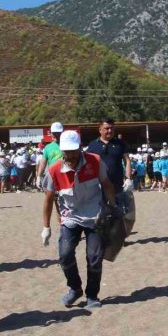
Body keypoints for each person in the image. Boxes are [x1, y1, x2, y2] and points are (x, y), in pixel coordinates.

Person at [41, 130, 116, 310]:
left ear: (80, 148)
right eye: (66, 151)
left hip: (94, 215)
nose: (71, 155)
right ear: (61, 150)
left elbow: (107, 185)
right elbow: (48, 199)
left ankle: (92, 295)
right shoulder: (54, 170)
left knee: (94, 258)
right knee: (65, 255)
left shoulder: (95, 161)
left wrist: (112, 208)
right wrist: (46, 227)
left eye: (74, 151)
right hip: (70, 216)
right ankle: (75, 288)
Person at [86, 117, 134, 199]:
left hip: (117, 185)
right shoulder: (93, 145)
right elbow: (87, 163)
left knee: (118, 209)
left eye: (112, 128)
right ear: (100, 130)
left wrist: (128, 178)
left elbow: (127, 161)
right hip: (98, 186)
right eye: (107, 128)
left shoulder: (120, 144)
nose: (110, 131)